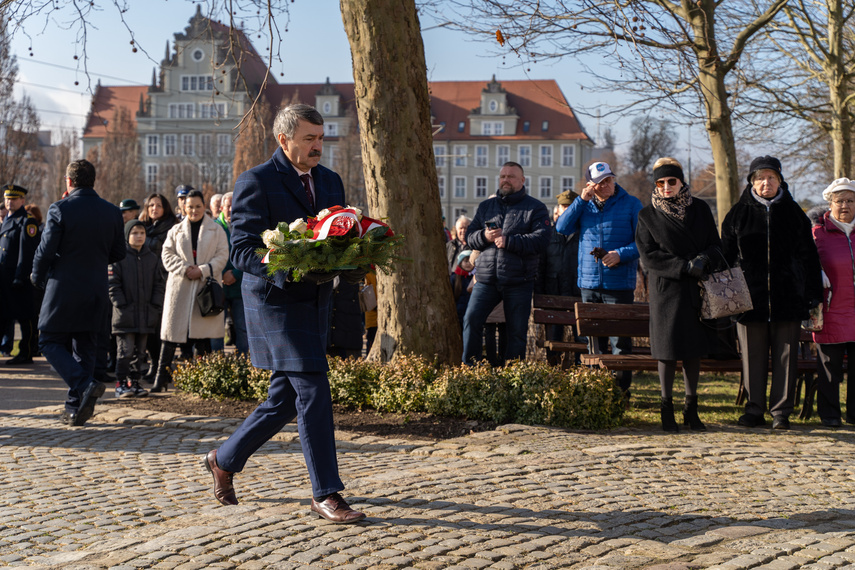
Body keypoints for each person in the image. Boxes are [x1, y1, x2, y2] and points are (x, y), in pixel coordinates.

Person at [204, 103, 365, 523]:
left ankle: (223, 459)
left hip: (316, 302)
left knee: (284, 400)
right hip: (275, 303)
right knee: (313, 388)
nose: (318, 146)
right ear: (284, 139)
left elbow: (338, 238)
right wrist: (286, 266)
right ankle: (326, 493)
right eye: (309, 138)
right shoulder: (255, 181)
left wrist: (355, 259)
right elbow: (241, 250)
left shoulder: (330, 180)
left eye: (321, 137)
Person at [721, 155, 823, 430]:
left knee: (786, 357)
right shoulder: (737, 214)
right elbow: (726, 257)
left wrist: (813, 294)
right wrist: (728, 296)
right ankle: (754, 409)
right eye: (761, 178)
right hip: (748, 299)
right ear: (752, 182)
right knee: (752, 357)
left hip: (787, 298)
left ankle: (781, 412)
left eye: (772, 177)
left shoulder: (794, 214)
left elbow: (810, 258)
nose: (766, 182)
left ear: (780, 181)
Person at [31, 159, 125, 426]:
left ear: (68, 181)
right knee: (85, 348)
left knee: (48, 340)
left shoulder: (60, 209)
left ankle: (84, 385)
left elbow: (45, 250)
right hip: (96, 288)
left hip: (63, 288)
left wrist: (37, 277)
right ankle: (75, 409)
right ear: (92, 180)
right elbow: (119, 253)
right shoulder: (111, 212)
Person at [635, 158, 723, 432]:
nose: (666, 187)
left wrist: (702, 260)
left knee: (693, 350)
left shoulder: (700, 209)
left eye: (671, 181)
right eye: (660, 183)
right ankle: (666, 409)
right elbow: (648, 256)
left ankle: (691, 408)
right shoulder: (647, 215)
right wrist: (682, 267)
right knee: (667, 351)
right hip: (667, 289)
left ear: (681, 182)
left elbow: (715, 244)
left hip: (697, 287)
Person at [556, 162, 642, 397]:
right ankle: (595, 394)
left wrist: (620, 255)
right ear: (590, 185)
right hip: (589, 284)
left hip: (619, 285)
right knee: (592, 343)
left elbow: (643, 242)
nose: (606, 185)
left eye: (609, 180)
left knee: (620, 344)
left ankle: (620, 394)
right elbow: (562, 228)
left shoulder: (632, 204)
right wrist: (580, 201)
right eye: (600, 182)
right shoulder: (583, 206)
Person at [462, 161, 550, 364]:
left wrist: (510, 241)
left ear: (522, 180)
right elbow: (469, 237)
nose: (506, 180)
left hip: (519, 280)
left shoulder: (535, 208)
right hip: (486, 279)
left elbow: (542, 240)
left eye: (511, 176)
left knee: (516, 332)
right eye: (503, 176)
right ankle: (470, 371)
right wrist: (485, 236)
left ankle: (512, 379)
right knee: (471, 320)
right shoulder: (486, 206)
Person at [151, 189, 228, 392]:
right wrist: (185, 269)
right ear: (184, 207)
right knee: (170, 335)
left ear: (204, 207)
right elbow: (166, 254)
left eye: (198, 206)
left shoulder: (216, 230)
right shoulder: (175, 231)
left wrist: (202, 270)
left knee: (203, 337)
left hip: (205, 288)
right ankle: (161, 378)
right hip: (180, 287)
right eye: (190, 206)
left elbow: (222, 255)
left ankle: (206, 380)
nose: (194, 210)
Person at [812, 178, 855, 427]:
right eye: (839, 201)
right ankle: (829, 415)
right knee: (829, 368)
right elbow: (807, 265)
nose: (845, 205)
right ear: (830, 203)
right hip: (831, 309)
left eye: (850, 200)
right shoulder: (818, 233)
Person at [108, 220, 165, 398]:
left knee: (140, 353)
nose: (139, 236)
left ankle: (135, 381)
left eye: (142, 233)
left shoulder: (152, 258)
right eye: (134, 233)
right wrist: (122, 304)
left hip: (146, 315)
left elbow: (159, 284)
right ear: (127, 236)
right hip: (125, 315)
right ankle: (121, 383)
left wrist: (155, 305)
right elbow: (112, 284)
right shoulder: (119, 257)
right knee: (125, 351)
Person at [536, 190, 582, 366]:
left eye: (571, 206)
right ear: (558, 209)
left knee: (581, 337)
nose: (567, 210)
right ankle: (553, 373)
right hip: (553, 293)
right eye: (564, 206)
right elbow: (541, 265)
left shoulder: (584, 233)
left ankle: (581, 372)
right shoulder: (548, 234)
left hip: (577, 292)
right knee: (554, 339)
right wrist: (539, 294)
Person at [0, 184, 40, 366]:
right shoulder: (6, 221)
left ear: (22, 201)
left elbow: (27, 253)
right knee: (4, 316)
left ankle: (27, 352)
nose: (10, 202)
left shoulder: (27, 222)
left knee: (26, 317)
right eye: (8, 198)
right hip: (4, 279)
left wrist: (20, 276)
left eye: (14, 199)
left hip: (19, 279)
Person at [211, 192, 247, 355]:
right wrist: (224, 273)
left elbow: (249, 252)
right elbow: (210, 254)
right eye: (228, 206)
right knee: (216, 330)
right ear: (221, 208)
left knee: (242, 328)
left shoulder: (246, 225)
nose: (232, 209)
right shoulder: (213, 227)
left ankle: (243, 365)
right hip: (219, 286)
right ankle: (218, 366)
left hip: (241, 286)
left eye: (235, 205)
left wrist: (236, 273)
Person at [139, 193, 178, 258]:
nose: (155, 208)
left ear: (165, 209)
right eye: (151, 205)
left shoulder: (172, 228)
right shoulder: (140, 226)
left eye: (159, 206)